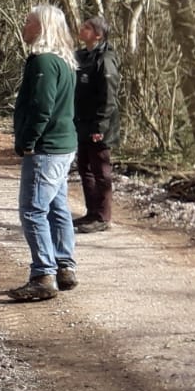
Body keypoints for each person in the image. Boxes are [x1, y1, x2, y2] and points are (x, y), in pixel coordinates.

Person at [10, 5, 78, 301]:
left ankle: (43, 275)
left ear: (42, 28)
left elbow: (41, 107)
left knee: (33, 210)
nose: (23, 26)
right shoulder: (65, 61)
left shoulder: (43, 62)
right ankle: (64, 266)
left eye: (28, 22)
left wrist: (28, 141)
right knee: (57, 207)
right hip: (64, 146)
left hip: (46, 148)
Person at [72, 15, 120, 234]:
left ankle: (103, 217)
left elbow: (109, 97)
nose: (82, 29)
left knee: (101, 170)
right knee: (85, 168)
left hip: (100, 125)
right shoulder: (81, 56)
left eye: (88, 28)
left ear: (98, 35)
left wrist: (100, 127)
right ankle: (91, 213)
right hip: (82, 122)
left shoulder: (106, 59)